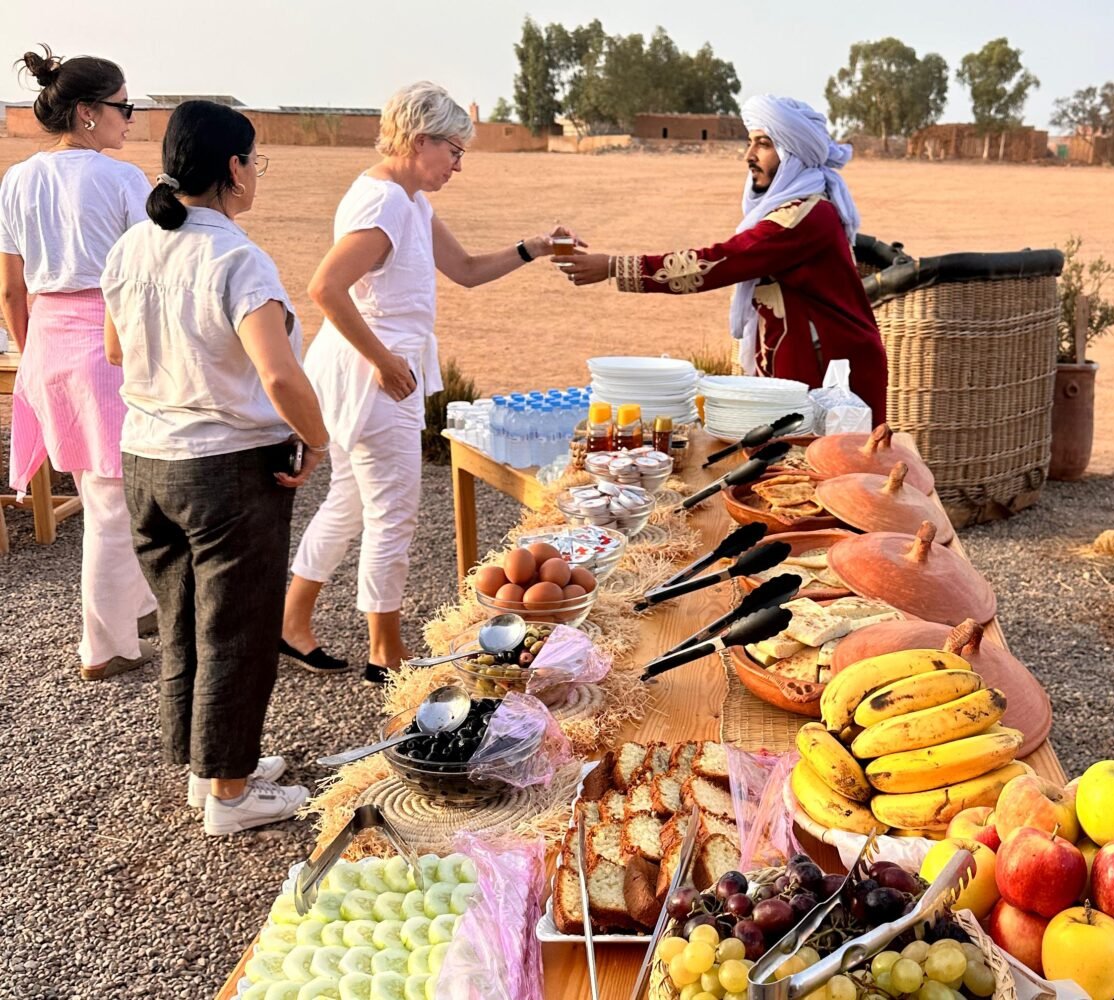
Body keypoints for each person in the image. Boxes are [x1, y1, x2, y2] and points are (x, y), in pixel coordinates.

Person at [282, 81, 582, 686]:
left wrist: (534, 248)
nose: (459, 164)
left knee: (348, 501)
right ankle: (385, 656)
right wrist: (386, 360)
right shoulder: (388, 203)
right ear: (419, 140)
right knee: (393, 512)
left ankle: (291, 622)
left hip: (361, 369)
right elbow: (324, 288)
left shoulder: (408, 198)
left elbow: (466, 271)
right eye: (453, 150)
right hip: (374, 375)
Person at [101, 101, 328, 836]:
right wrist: (316, 439)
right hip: (225, 468)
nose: (256, 174)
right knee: (237, 625)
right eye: (254, 160)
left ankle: (210, 766)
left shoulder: (131, 246)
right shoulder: (236, 257)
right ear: (234, 168)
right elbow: (281, 375)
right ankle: (230, 793)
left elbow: (113, 350)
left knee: (185, 621)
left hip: (145, 460)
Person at [558, 94, 888, 424]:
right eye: (750, 143)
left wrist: (614, 267)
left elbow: (720, 262)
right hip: (806, 360)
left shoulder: (805, 217)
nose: (749, 156)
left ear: (792, 153)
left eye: (763, 144)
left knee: (819, 468)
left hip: (831, 372)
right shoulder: (794, 210)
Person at [0, 45, 158, 680]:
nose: (131, 117)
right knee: (114, 498)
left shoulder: (16, 180)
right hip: (106, 344)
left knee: (104, 492)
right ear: (89, 113)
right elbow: (143, 279)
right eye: (123, 106)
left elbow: (12, 288)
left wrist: (29, 349)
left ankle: (139, 605)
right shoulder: (121, 180)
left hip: (47, 343)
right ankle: (106, 645)